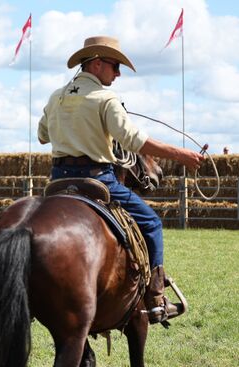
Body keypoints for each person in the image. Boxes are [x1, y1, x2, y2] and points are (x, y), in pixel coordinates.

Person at [37, 36, 204, 325]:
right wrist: (181, 154)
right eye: (115, 66)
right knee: (151, 222)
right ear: (97, 63)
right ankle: (154, 296)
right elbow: (132, 139)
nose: (118, 73)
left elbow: (43, 135)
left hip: (58, 182)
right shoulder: (106, 99)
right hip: (98, 179)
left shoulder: (56, 96)